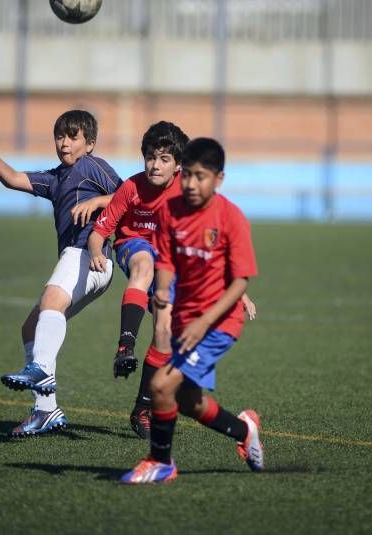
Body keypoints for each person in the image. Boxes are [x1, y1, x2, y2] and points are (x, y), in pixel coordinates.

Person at [89, 121, 256, 440]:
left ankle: (142, 408)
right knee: (143, 263)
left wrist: (239, 291)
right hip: (134, 248)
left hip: (169, 264)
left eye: (164, 159)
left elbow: (212, 250)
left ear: (178, 165)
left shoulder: (189, 192)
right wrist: (97, 251)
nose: (155, 165)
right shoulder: (131, 188)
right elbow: (101, 231)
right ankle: (125, 344)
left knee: (164, 333)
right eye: (151, 157)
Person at [121, 137, 263, 484]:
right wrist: (165, 297)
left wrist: (203, 322)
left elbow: (239, 282)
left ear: (219, 179)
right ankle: (244, 430)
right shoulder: (170, 211)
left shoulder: (231, 218)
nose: (191, 184)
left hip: (218, 324)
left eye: (201, 176)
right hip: (187, 321)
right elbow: (165, 262)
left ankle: (161, 462)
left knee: (160, 386)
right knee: (187, 400)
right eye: (187, 176)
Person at [0, 110, 122, 437]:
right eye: (60, 136)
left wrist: (98, 201)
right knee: (31, 327)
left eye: (73, 137)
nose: (65, 143)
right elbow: (12, 178)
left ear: (89, 144)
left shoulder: (91, 166)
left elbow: (131, 196)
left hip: (89, 255)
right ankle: (45, 410)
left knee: (51, 303)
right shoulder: (56, 178)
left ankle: (40, 368)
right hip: (84, 265)